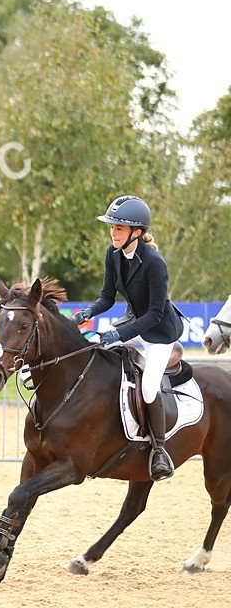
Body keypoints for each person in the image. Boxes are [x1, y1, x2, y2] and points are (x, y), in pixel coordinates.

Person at [72, 195, 186, 481]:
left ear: (137, 232)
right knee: (95, 349)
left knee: (149, 387)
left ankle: (159, 450)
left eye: (119, 228)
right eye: (112, 228)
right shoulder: (113, 254)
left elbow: (156, 314)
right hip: (134, 324)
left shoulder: (154, 263)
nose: (113, 233)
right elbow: (107, 297)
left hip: (159, 334)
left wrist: (118, 334)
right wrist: (85, 313)